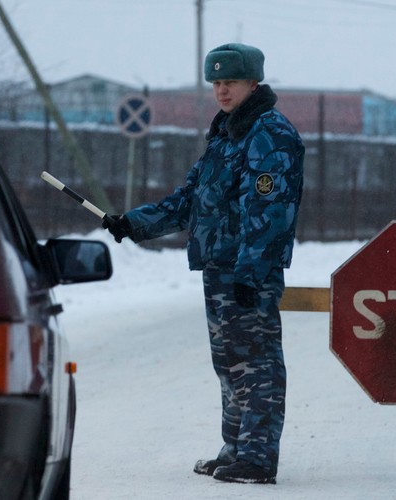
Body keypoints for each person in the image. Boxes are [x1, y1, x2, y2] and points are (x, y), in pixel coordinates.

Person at [103, 43, 305, 485]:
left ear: (253, 82)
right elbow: (189, 201)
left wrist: (251, 274)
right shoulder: (226, 135)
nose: (221, 91)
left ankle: (257, 458)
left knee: (258, 363)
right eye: (215, 83)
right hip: (218, 267)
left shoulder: (269, 134)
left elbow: (270, 212)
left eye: (229, 82)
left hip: (248, 272)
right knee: (230, 361)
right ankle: (234, 449)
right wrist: (132, 224)